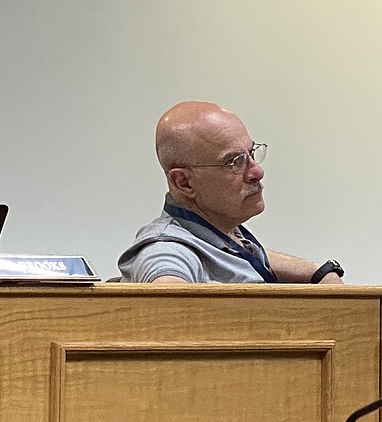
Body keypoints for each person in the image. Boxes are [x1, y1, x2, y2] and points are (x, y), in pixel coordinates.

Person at [116, 101, 343, 284]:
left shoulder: (221, 236)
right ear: (184, 182)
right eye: (234, 162)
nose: (257, 171)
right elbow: (169, 306)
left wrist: (321, 271)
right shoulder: (166, 251)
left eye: (251, 153)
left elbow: (236, 256)